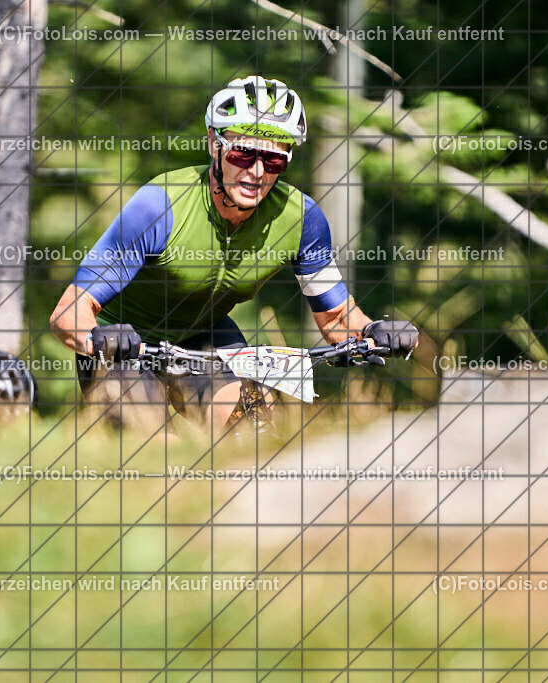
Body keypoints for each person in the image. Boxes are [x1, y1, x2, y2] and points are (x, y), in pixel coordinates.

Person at [51, 75, 422, 430]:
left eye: (273, 161)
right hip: (125, 346)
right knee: (154, 444)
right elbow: (68, 313)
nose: (257, 172)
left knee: (255, 423)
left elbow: (337, 318)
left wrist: (373, 331)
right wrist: (98, 338)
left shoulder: (301, 219)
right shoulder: (159, 206)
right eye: (244, 154)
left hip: (205, 337)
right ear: (214, 144)